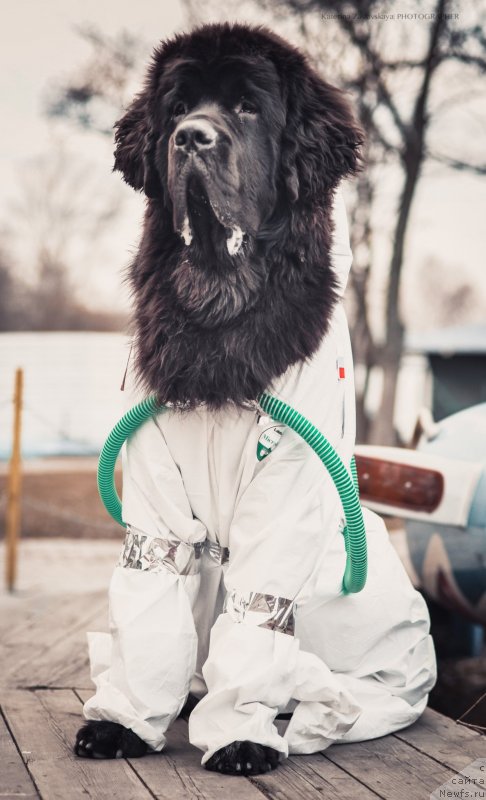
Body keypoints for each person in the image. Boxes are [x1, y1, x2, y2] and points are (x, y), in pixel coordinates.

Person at [82, 186, 437, 763]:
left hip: (317, 600)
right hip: (217, 578)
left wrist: (239, 719)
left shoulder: (309, 356)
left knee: (278, 555)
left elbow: (283, 542)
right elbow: (154, 540)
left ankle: (244, 712)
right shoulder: (155, 334)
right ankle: (134, 706)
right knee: (153, 549)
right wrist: (130, 711)